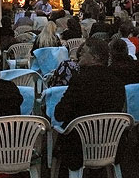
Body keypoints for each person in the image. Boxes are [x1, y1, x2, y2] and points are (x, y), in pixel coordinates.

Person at [54, 38, 126, 172]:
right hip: (111, 146)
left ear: (95, 57)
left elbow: (59, 114)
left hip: (80, 148)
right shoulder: (117, 82)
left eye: (84, 51)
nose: (79, 53)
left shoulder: (80, 81)